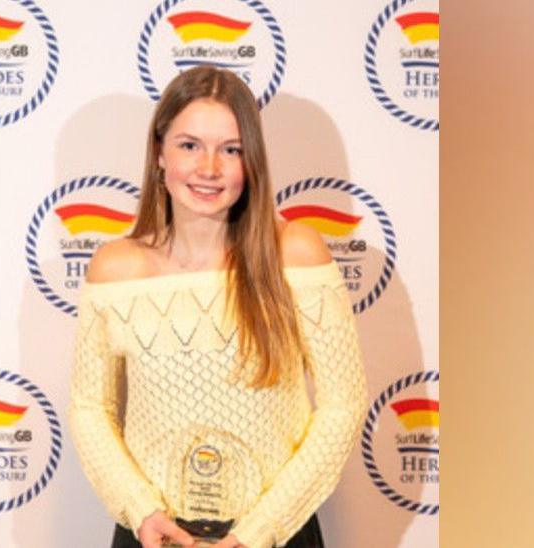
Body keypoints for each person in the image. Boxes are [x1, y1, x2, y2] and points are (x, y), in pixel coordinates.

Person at [68, 66, 367, 548]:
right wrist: (140, 511)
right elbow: (90, 407)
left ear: (251, 163)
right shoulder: (114, 269)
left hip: (272, 538)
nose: (209, 168)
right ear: (159, 153)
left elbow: (342, 405)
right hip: (154, 537)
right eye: (189, 145)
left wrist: (257, 532)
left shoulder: (296, 253)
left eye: (231, 150)